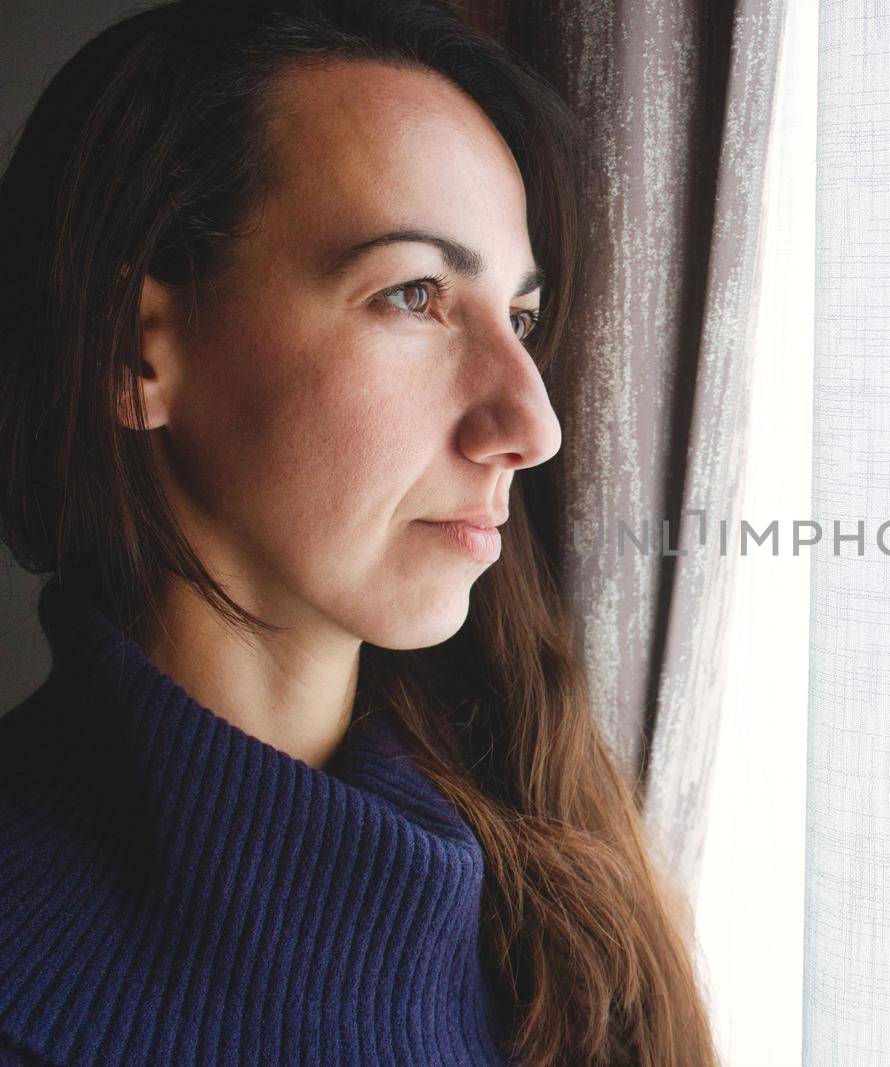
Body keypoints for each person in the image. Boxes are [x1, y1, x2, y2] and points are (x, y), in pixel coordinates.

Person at [0, 2, 719, 1064]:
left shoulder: (568, 915)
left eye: (518, 318)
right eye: (414, 295)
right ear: (135, 350)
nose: (532, 425)